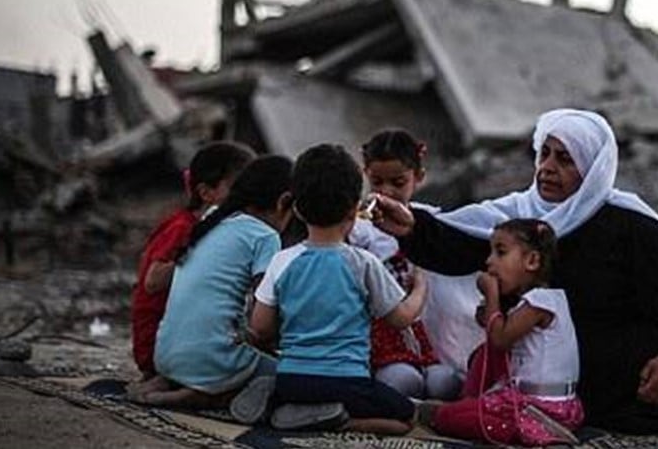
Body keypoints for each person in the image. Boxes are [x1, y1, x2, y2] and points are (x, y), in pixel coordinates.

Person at [373, 108, 658, 434]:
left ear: (591, 167)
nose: (547, 168)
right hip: (547, 378)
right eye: (544, 154)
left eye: (565, 159)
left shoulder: (631, 224)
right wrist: (413, 228)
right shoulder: (523, 219)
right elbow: (460, 243)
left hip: (628, 379)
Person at [243, 144, 427, 434]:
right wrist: (420, 289)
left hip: (292, 378)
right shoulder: (363, 263)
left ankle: (281, 403)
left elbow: (261, 328)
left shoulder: (282, 261)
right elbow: (401, 318)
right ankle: (340, 420)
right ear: (354, 209)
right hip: (347, 381)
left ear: (297, 209)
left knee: (291, 388)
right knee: (407, 418)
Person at [129, 156, 291, 409]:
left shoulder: (212, 217)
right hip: (211, 360)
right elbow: (263, 318)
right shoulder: (265, 236)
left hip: (164, 354)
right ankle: (202, 396)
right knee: (288, 376)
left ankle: (169, 381)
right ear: (283, 202)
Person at [432, 218, 584, 445]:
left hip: (543, 408)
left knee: (445, 418)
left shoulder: (540, 302)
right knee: (484, 353)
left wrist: (492, 295)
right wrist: (489, 312)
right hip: (537, 403)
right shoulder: (538, 301)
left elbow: (500, 340)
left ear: (532, 261)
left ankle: (533, 431)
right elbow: (496, 339)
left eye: (500, 252)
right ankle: (470, 404)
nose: (489, 261)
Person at [347, 129, 462, 400]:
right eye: (377, 182)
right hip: (379, 334)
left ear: (418, 176)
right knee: (403, 381)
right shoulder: (358, 229)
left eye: (398, 183)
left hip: (424, 333)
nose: (386, 191)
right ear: (366, 175)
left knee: (446, 382)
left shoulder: (431, 223)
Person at [130, 141, 255, 379]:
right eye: (237, 188)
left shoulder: (219, 230)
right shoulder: (182, 228)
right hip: (158, 348)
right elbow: (153, 282)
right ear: (206, 193)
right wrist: (199, 259)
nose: (246, 197)